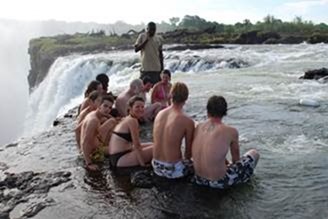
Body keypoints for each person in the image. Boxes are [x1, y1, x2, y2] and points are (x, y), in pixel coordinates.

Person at [192, 95, 260, 189]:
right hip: (218, 182)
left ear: (208, 111)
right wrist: (229, 164)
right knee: (254, 153)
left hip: (198, 179)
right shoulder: (231, 131)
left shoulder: (198, 127)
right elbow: (236, 160)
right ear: (224, 112)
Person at [152, 82, 195, 179]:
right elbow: (188, 153)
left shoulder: (160, 114)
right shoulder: (187, 120)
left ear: (171, 95)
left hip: (156, 165)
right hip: (173, 170)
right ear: (186, 98)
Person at [108, 96, 153, 169]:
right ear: (130, 108)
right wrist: (143, 165)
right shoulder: (132, 121)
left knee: (153, 144)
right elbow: (137, 145)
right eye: (137, 107)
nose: (141, 109)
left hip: (117, 156)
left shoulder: (127, 118)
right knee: (156, 148)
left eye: (142, 107)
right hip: (120, 159)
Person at [80, 95, 118, 171]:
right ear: (99, 105)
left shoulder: (93, 113)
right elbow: (85, 142)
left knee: (112, 122)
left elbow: (78, 130)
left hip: (97, 144)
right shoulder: (93, 121)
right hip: (94, 152)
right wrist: (89, 163)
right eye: (105, 106)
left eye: (110, 108)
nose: (107, 109)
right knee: (122, 148)